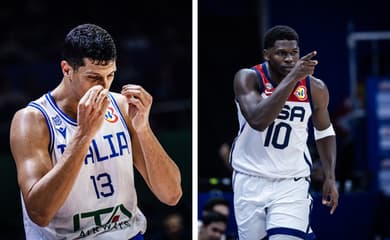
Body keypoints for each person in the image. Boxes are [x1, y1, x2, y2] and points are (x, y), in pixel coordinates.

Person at [9, 23, 182, 240]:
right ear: (67, 70)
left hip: (127, 233)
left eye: (110, 75)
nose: (103, 86)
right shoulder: (32, 120)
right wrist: (83, 135)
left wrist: (143, 129)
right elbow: (40, 212)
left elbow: (172, 194)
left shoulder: (121, 106)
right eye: (93, 77)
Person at [230, 25, 338, 239]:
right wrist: (292, 79)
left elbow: (324, 132)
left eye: (294, 53)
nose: (289, 59)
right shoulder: (248, 78)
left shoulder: (315, 88)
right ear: (267, 54)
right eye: (281, 53)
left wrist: (330, 176)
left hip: (292, 181)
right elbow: (258, 120)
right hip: (249, 178)